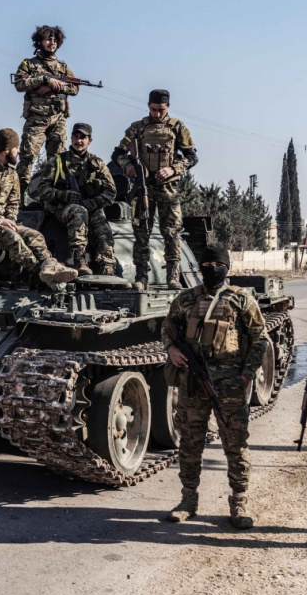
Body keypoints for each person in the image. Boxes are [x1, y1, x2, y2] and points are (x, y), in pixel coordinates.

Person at [162, 244, 268, 529]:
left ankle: (239, 501)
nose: (213, 270)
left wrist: (246, 376)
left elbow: (260, 339)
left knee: (235, 443)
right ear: (200, 268)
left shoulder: (241, 300)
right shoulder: (186, 299)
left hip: (230, 383)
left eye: (218, 266)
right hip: (192, 382)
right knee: (190, 441)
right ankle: (188, 499)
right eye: (207, 266)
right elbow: (167, 328)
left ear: (227, 267)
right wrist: (172, 349)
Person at [0, 129, 78, 289]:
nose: (19, 151)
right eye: (16, 148)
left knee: (35, 236)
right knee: (13, 239)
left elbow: (14, 202)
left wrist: (10, 219)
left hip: (2, 222)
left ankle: (50, 266)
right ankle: (40, 273)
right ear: (6, 150)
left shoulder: (12, 173)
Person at [111, 89, 196, 290]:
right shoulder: (137, 128)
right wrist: (127, 165)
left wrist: (173, 169)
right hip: (143, 189)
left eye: (161, 110)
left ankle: (172, 277)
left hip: (168, 189)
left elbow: (191, 157)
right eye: (154, 109)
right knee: (141, 234)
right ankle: (141, 277)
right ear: (148, 106)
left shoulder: (177, 127)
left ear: (168, 107)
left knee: (171, 233)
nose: (157, 114)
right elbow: (117, 153)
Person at [34, 123, 117, 275]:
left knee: (101, 222)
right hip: (62, 209)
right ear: (71, 138)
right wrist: (61, 195)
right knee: (78, 212)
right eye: (76, 137)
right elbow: (42, 189)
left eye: (83, 138)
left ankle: (107, 265)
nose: (79, 141)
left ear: (89, 141)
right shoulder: (57, 162)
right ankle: (79, 259)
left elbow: (111, 191)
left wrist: (94, 202)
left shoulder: (97, 164)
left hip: (90, 207)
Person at [13, 25, 79, 201]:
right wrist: (43, 80)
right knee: (27, 158)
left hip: (58, 118)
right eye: (48, 39)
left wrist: (55, 86)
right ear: (40, 41)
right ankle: (19, 199)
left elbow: (74, 88)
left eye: (55, 40)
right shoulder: (29, 64)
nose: (52, 43)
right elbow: (19, 84)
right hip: (36, 118)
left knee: (58, 161)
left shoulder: (63, 67)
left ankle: (54, 198)